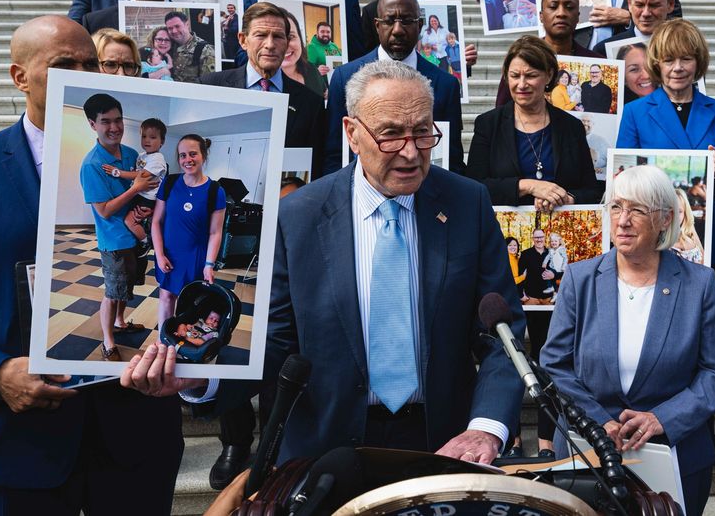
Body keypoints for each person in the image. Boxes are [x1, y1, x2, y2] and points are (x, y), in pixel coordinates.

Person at [129, 59, 527, 466]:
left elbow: (502, 335)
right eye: (390, 134)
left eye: (422, 132)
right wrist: (202, 379)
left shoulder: (468, 203)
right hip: (325, 446)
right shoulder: (298, 216)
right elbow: (276, 342)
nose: (410, 152)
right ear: (351, 133)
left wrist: (488, 426)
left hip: (445, 440)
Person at [0, 16, 183, 514]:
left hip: (133, 436)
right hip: (18, 443)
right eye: (63, 65)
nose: (83, 74)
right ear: (19, 77)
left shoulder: (131, 156)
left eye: (89, 64)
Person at [540, 165, 715, 516]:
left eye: (638, 210)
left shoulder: (699, 284)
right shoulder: (580, 279)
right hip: (587, 453)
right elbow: (555, 363)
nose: (623, 220)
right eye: (616, 207)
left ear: (665, 219)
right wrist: (600, 420)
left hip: (674, 458)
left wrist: (662, 418)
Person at [617, 19, 715, 276]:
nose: (678, 68)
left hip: (703, 233)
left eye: (686, 59)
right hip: (651, 233)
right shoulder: (635, 112)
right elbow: (623, 180)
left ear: (698, 63)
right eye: (669, 60)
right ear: (657, 64)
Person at [325, 0, 465, 174]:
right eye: (389, 21)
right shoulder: (344, 77)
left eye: (407, 21)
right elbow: (334, 154)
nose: (398, 30)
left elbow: (452, 158)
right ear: (377, 25)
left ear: (420, 25)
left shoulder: (446, 84)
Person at [467, 36, 600, 211]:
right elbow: (474, 186)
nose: (521, 84)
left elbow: (591, 190)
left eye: (531, 76)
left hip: (560, 230)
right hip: (503, 233)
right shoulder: (489, 124)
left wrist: (566, 198)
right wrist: (527, 186)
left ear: (549, 75)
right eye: (515, 76)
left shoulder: (571, 127)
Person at [201, 2, 327, 179]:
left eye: (278, 36)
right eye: (261, 35)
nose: (270, 44)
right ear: (243, 40)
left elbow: (316, 166)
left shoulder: (310, 103)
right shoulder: (210, 87)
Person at [78, 93, 156, 361]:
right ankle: (108, 341)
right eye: (106, 121)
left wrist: (145, 205)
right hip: (114, 240)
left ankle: (121, 322)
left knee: (127, 287)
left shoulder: (133, 154)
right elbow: (104, 210)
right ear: (92, 124)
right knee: (112, 292)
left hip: (135, 235)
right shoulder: (91, 165)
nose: (114, 128)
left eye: (118, 120)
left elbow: (144, 189)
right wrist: (135, 187)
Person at [151, 134, 226, 328]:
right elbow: (156, 222)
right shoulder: (169, 184)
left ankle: (183, 345)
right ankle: (164, 342)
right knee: (166, 297)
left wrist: (209, 264)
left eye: (193, 154)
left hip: (196, 257)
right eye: (182, 155)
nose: (187, 160)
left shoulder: (215, 191)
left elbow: (215, 232)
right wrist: (159, 255)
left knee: (190, 303)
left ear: (203, 155)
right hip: (168, 255)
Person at [494, 0, 602, 106]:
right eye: (553, 7)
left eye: (569, 7)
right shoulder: (520, 59)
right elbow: (502, 111)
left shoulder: (597, 63)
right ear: (541, 16)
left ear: (578, 17)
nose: (561, 13)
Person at [102, 118, 168, 248]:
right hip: (140, 194)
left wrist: (117, 172)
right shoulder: (142, 155)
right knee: (126, 215)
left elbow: (141, 175)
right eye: (144, 136)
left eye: (153, 137)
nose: (147, 140)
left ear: (162, 141)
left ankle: (146, 241)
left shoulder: (158, 159)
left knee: (129, 221)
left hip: (147, 198)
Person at [592, 0, 677, 56]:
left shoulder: (687, 46)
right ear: (629, 3)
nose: (646, 13)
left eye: (654, 5)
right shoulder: (603, 51)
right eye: (639, 5)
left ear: (670, 4)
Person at [672, 188, 705, 264]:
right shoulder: (658, 240)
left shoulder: (689, 230)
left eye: (679, 211)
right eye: (671, 211)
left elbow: (703, 258)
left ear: (685, 213)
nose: (675, 216)